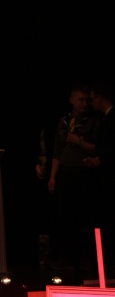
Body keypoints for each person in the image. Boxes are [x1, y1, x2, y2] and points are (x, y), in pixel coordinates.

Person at [46, 84, 100, 269]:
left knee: (84, 217)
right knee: (65, 217)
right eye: (80, 100)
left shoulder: (93, 122)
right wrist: (52, 177)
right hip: (65, 174)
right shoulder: (63, 122)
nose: (84, 103)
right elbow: (57, 152)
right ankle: (67, 258)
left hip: (84, 174)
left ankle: (86, 259)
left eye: (86, 100)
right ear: (72, 100)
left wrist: (77, 140)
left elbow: (98, 149)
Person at [87, 85, 114, 266]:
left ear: (100, 97)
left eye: (91, 99)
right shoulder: (106, 119)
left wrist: (101, 159)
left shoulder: (112, 119)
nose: (90, 104)